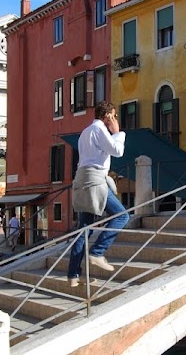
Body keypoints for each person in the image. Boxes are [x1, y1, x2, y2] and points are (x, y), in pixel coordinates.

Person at [67, 101, 130, 288]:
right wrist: (118, 132)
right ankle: (97, 252)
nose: (115, 118)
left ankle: (73, 275)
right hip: (95, 180)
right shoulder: (100, 129)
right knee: (122, 216)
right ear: (108, 115)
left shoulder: (85, 132)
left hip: (82, 179)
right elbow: (118, 151)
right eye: (114, 115)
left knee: (84, 228)